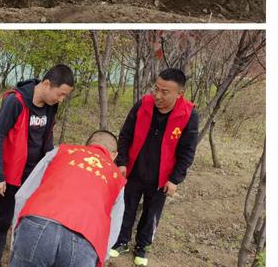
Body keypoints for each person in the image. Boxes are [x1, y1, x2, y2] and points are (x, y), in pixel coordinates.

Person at [0, 64, 74, 267]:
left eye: (64, 96)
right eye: (60, 94)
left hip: (34, 174)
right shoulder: (15, 102)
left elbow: (47, 137)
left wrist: (49, 170)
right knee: (2, 220)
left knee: (28, 218)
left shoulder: (51, 106)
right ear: (47, 84)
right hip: (9, 174)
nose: (60, 99)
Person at [110, 68, 199, 267]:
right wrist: (122, 162)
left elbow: (187, 152)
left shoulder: (188, 115)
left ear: (179, 93)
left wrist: (175, 179)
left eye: (165, 92)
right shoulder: (143, 105)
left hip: (161, 177)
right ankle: (121, 241)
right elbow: (125, 135)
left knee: (151, 214)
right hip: (134, 170)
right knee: (126, 208)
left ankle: (142, 246)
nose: (158, 95)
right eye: (156, 89)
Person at [10, 131, 126, 267]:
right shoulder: (117, 178)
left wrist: (16, 237)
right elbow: (114, 226)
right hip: (85, 240)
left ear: (86, 145)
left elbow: (23, 195)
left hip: (37, 223)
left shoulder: (60, 152)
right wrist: (102, 258)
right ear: (114, 155)